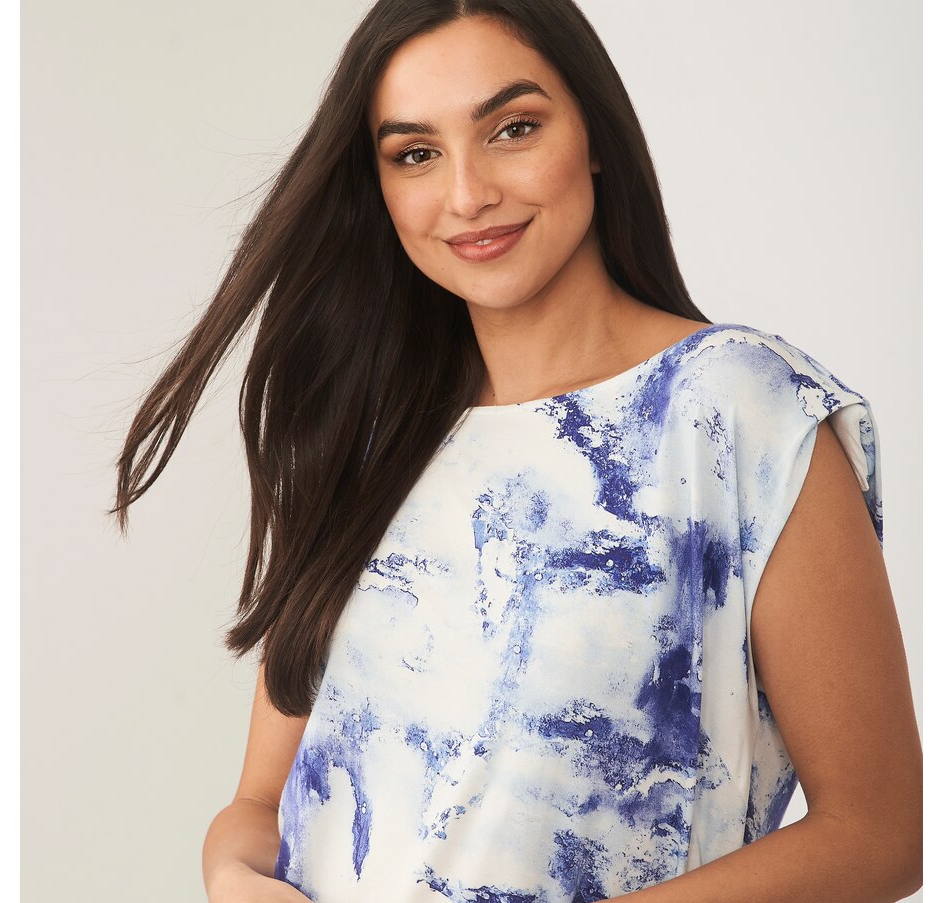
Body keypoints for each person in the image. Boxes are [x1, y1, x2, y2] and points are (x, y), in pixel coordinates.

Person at [112, 1, 922, 901]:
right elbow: (260, 801)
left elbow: (879, 834)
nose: (467, 195)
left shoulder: (739, 409)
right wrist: (231, 873)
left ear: (595, 135)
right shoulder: (369, 439)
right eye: (415, 153)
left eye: (513, 129)